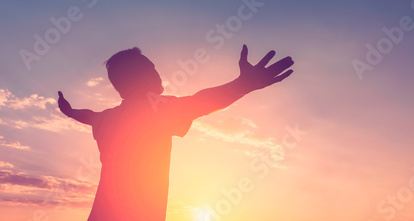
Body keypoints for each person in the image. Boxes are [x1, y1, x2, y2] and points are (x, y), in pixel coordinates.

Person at [58, 44, 294, 220]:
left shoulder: (107, 119)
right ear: (140, 77)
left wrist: (69, 111)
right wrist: (244, 84)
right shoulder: (156, 111)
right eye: (151, 68)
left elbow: (88, 116)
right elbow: (202, 101)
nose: (157, 72)